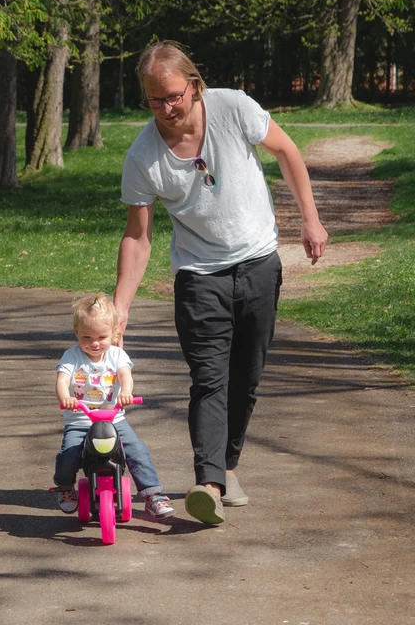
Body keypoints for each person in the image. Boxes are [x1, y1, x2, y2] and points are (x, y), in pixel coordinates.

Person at [114, 41, 328, 525]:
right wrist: (121, 305)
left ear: (193, 84)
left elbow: (287, 151)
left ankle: (227, 466)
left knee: (246, 379)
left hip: (257, 263)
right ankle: (208, 483)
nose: (166, 109)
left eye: (173, 96)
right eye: (154, 100)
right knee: (209, 380)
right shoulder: (144, 156)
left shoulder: (233, 108)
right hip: (198, 277)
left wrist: (310, 220)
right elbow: (138, 236)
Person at [51, 293, 175, 519]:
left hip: (114, 419)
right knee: (69, 454)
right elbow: (62, 380)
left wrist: (126, 392)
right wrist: (65, 399)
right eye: (87, 336)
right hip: (81, 420)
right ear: (76, 332)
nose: (95, 343)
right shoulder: (72, 356)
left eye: (102, 336)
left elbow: (125, 375)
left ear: (114, 334)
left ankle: (152, 495)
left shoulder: (117, 355)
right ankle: (65, 487)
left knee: (136, 450)